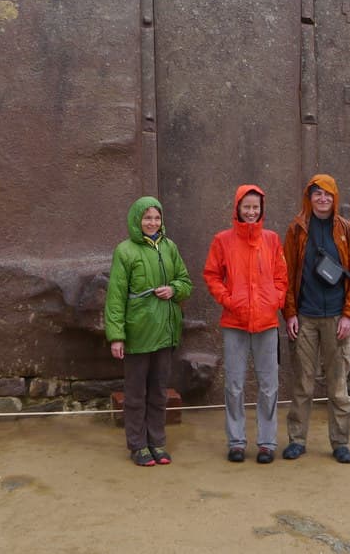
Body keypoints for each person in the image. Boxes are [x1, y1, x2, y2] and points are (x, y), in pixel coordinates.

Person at [281, 174, 350, 464]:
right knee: (302, 384)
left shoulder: (348, 231)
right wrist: (289, 313)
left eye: (328, 194)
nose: (323, 199)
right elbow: (286, 274)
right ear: (309, 197)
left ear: (335, 198)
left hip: (337, 318)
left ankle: (340, 442)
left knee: (338, 385)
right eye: (317, 193)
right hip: (305, 317)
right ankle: (297, 440)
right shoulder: (296, 229)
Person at [203, 185, 289, 464]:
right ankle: (236, 442)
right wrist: (228, 300)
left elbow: (282, 277)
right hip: (234, 322)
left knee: (269, 386)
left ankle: (266, 443)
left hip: (266, 323)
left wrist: (275, 300)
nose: (251, 212)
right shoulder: (222, 240)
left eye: (255, 207)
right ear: (237, 208)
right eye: (246, 206)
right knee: (234, 385)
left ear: (261, 209)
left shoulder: (272, 240)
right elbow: (212, 275)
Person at [104, 196, 192, 467]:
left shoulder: (169, 247)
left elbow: (186, 282)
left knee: (158, 391)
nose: (152, 222)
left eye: (156, 217)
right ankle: (138, 445)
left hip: (165, 331)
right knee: (135, 394)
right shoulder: (125, 251)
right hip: (138, 333)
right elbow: (115, 296)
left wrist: (174, 289)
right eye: (147, 218)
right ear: (137, 220)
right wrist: (116, 336)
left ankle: (157, 442)